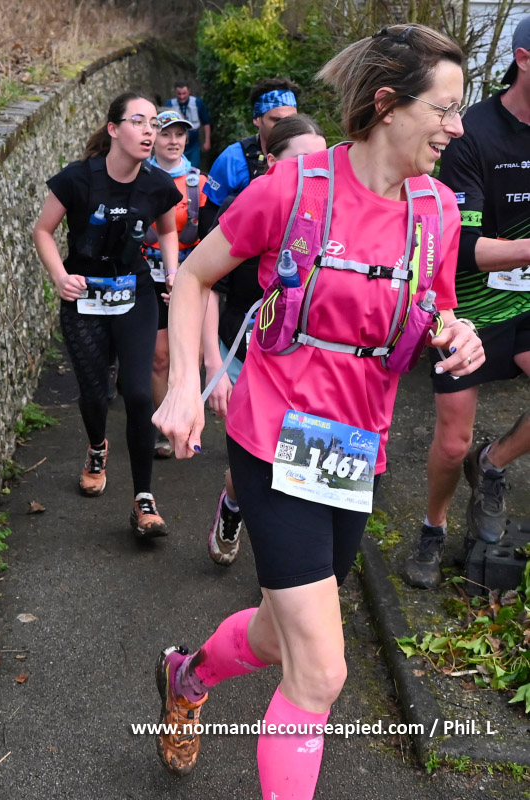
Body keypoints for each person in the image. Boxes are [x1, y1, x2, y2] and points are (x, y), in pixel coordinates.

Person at [152, 24, 484, 797]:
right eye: (446, 109)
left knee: (281, 636)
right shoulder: (295, 189)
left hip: (353, 452)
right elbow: (194, 276)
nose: (459, 128)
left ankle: (186, 675)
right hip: (273, 439)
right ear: (389, 105)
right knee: (321, 672)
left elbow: (435, 308)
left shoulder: (437, 210)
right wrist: (184, 386)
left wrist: (458, 333)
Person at [403, 15, 530, 590]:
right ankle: (433, 527)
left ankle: (494, 462)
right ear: (523, 59)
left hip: (526, 305)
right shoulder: (471, 133)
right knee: (451, 443)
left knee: (475, 452)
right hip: (468, 308)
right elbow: (465, 249)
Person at [33, 92, 181, 538]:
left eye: (154, 123)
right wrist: (60, 276)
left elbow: (168, 229)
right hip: (84, 297)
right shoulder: (77, 179)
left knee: (137, 392)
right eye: (139, 121)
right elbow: (43, 230)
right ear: (114, 129)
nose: (150, 131)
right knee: (95, 394)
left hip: (134, 293)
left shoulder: (157, 184)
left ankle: (144, 499)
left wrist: (173, 271)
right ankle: (97, 447)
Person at [203, 114, 327, 566]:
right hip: (244, 353)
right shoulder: (250, 210)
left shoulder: (336, 219)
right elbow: (205, 286)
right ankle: (234, 505)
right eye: (303, 161)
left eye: (324, 162)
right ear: (272, 162)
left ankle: (288, 575)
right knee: (257, 464)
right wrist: (214, 368)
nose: (317, 174)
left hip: (310, 364)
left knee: (294, 473)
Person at [144, 108, 208, 458]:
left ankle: (188, 416)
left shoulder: (200, 184)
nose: (173, 141)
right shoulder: (138, 179)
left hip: (191, 275)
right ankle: (163, 427)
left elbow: (213, 234)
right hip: (149, 274)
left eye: (179, 134)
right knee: (159, 356)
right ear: (153, 137)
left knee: (192, 354)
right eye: (166, 134)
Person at [202, 77, 300, 220]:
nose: (285, 127)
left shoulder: (308, 155)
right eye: (276, 120)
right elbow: (210, 213)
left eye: (291, 120)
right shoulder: (233, 158)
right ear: (257, 119)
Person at [165, 81, 211, 168]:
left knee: (194, 166)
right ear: (175, 92)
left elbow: (206, 122)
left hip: (194, 142)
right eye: (179, 94)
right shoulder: (170, 104)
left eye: (184, 93)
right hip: (176, 142)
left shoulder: (197, 103)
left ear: (189, 91)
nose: (182, 97)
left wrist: (207, 141)